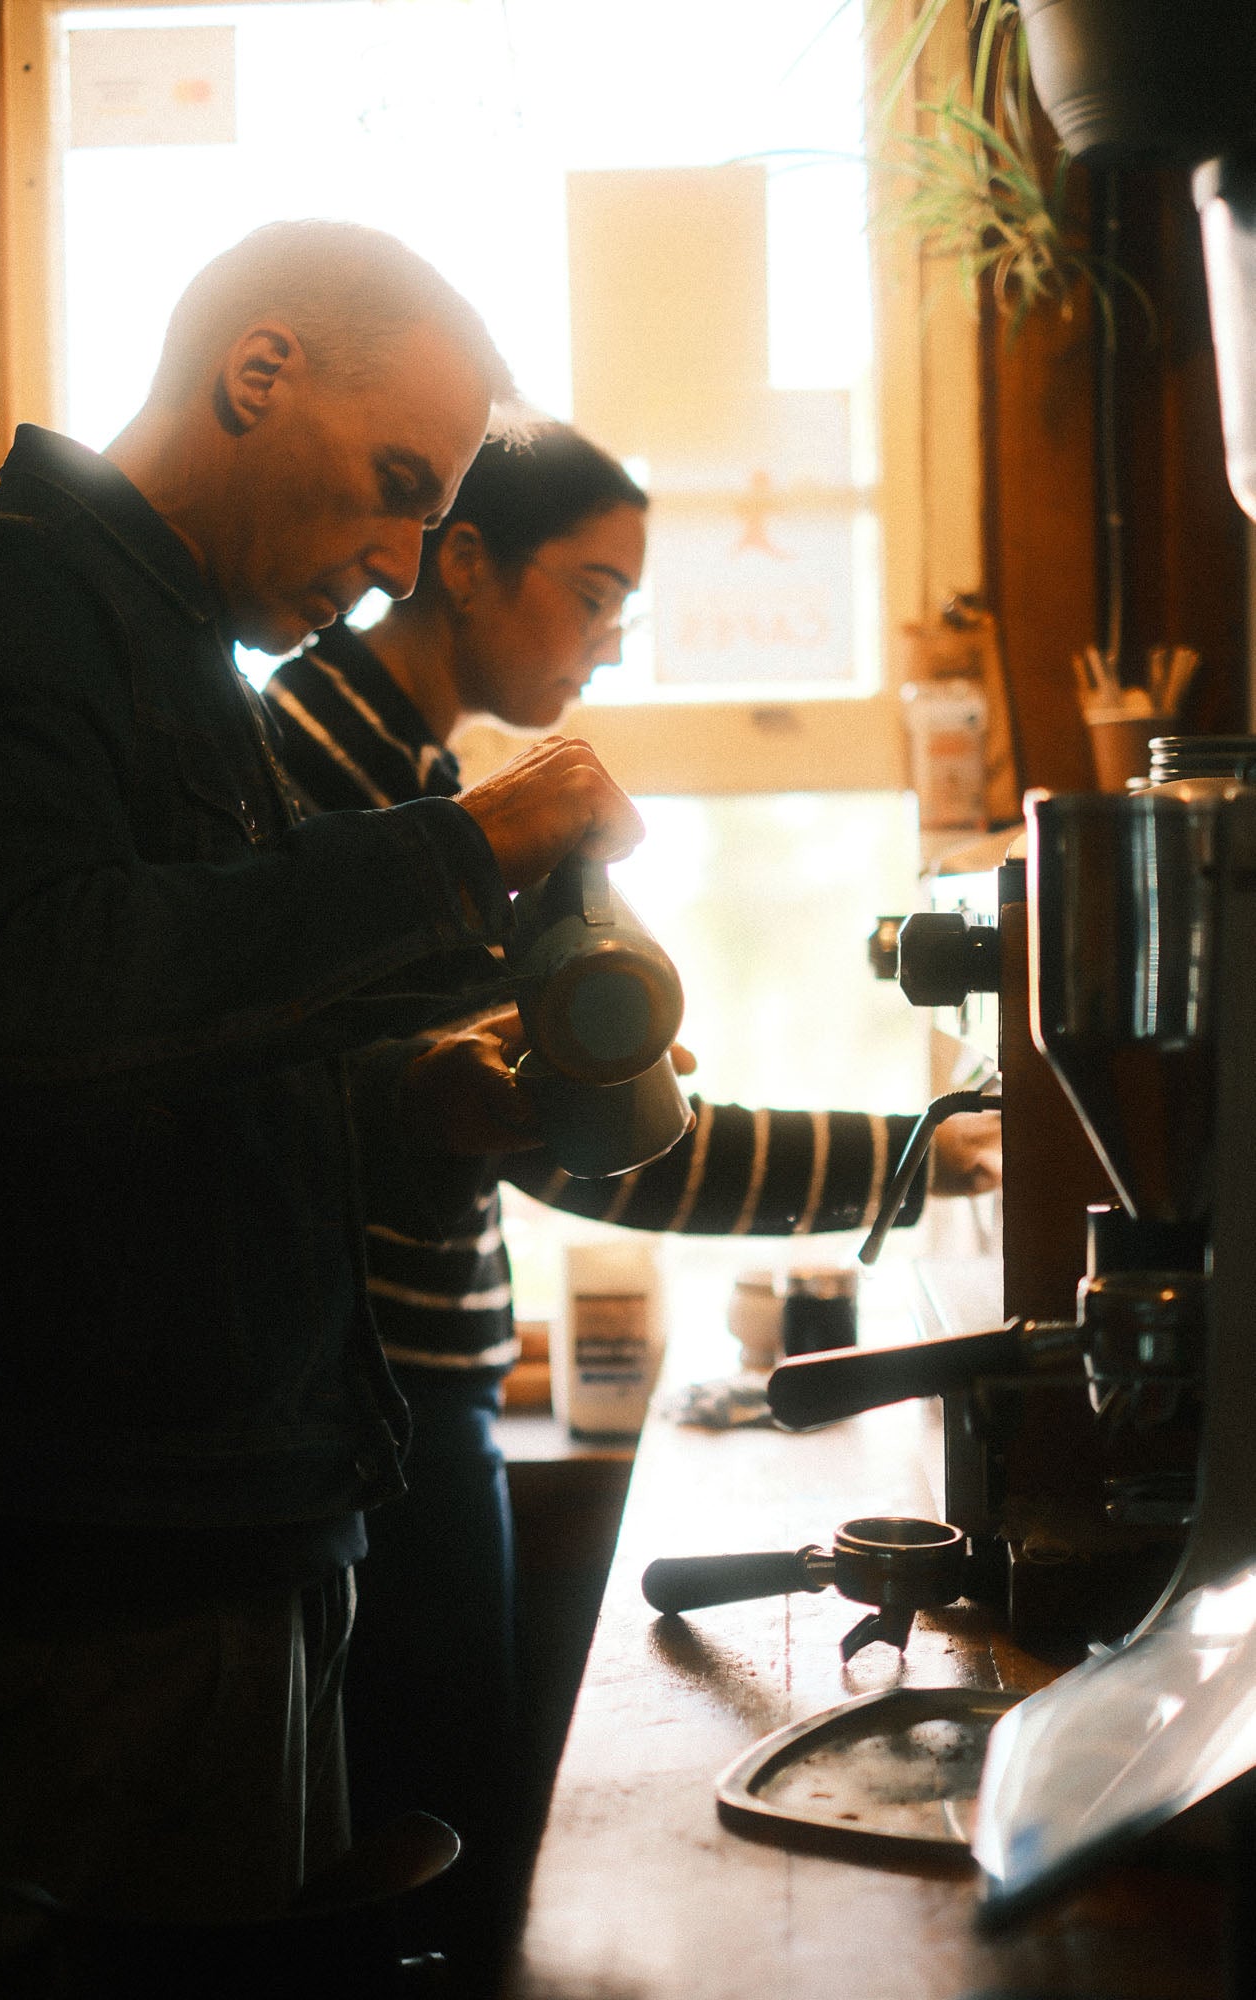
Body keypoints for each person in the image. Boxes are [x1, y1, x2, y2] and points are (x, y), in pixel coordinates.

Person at [0, 227, 647, 1993]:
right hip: (105, 1553)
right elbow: (24, 991)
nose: (402, 569)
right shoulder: (9, 599)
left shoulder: (184, 650)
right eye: (397, 491)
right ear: (259, 374)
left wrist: (418, 1108)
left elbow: (177, 1054)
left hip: (236, 1520)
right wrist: (460, 850)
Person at [265, 420, 1002, 1985]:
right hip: (362, 1408)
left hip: (401, 1396)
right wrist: (920, 1154)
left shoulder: (417, 781)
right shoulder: (345, 788)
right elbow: (595, 1151)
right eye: (592, 593)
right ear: (466, 562)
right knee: (434, 1858)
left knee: (435, 1835)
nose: (607, 641)